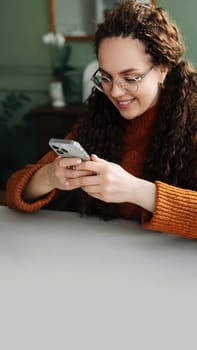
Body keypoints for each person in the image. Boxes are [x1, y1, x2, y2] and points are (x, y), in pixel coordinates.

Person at [6, 0, 197, 238]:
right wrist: (49, 177)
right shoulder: (100, 118)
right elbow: (13, 192)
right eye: (106, 77)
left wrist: (137, 191)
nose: (115, 92)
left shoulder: (192, 119)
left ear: (163, 69)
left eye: (131, 78)